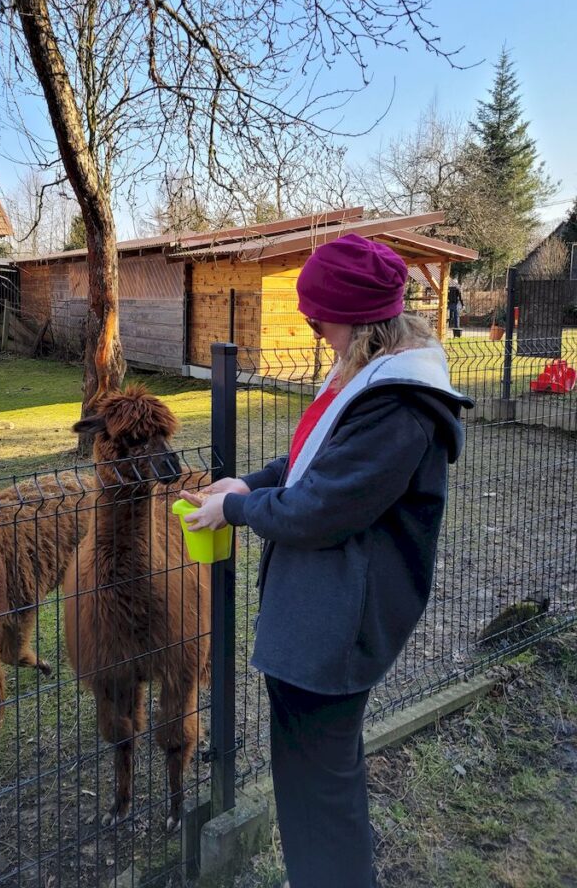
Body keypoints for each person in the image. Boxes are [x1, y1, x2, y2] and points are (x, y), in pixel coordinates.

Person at [181, 233, 471, 888]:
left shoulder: (397, 406)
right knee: (310, 785)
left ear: (360, 317)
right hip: (320, 620)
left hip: (337, 630)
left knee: (324, 796)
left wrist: (236, 512)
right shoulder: (367, 379)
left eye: (320, 314)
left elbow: (318, 508)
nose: (311, 324)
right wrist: (249, 485)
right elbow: (311, 465)